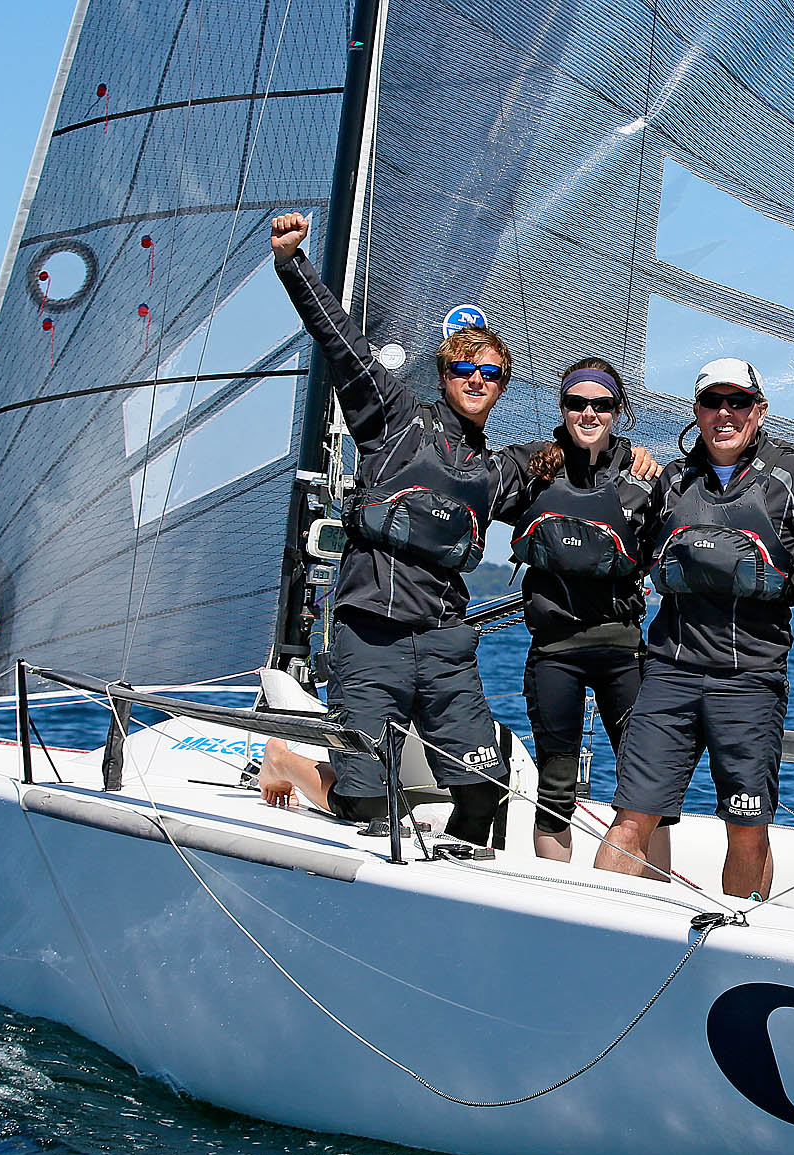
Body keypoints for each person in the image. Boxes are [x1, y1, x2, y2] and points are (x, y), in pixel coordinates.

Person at [255, 211, 525, 851]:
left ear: (502, 384)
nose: (477, 382)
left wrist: (636, 460)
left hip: (443, 642)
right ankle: (288, 761)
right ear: (444, 376)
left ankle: (454, 875)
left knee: (484, 791)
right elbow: (341, 345)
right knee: (362, 801)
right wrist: (294, 266)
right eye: (465, 371)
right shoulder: (396, 419)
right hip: (370, 629)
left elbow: (580, 482)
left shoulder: (500, 468)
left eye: (490, 373)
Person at [595, 358, 794, 899]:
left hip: (749, 681)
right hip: (669, 675)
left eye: (738, 401)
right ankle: (596, 936)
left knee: (747, 827)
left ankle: (742, 940)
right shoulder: (668, 480)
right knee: (631, 817)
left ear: (759, 411)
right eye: (713, 402)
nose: (724, 413)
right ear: (697, 412)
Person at [498, 359, 669, 863]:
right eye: (577, 403)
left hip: (622, 647)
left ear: (619, 410)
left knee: (647, 782)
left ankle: (654, 900)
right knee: (555, 787)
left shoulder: (644, 475)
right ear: (563, 407)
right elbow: (466, 475)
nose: (588, 413)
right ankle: (556, 901)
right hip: (555, 650)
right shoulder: (534, 467)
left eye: (601, 404)